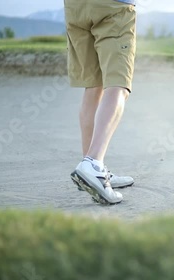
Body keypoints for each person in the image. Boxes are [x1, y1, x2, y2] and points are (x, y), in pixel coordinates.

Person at [65, 0, 137, 205]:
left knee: (94, 86)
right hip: (113, 5)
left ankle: (90, 167)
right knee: (118, 85)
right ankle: (93, 165)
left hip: (75, 7)